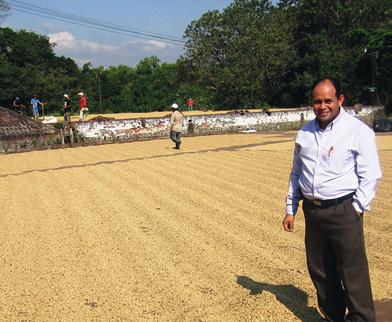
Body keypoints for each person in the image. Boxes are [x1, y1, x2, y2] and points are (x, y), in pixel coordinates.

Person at [283, 77, 382, 322]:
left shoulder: (357, 131)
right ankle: (333, 316)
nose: (323, 106)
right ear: (312, 104)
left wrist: (357, 207)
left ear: (340, 100)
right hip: (313, 212)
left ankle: (361, 318)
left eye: (328, 100)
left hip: (343, 210)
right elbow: (296, 173)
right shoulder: (304, 134)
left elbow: (371, 173)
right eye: (317, 101)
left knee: (352, 270)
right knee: (320, 270)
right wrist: (291, 207)